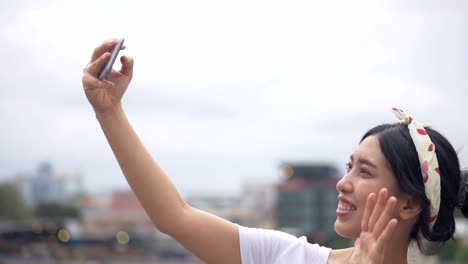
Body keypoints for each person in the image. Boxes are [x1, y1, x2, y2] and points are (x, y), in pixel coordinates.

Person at [81, 39, 468, 264]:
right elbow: (174, 216)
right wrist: (109, 111)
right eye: (349, 167)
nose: (342, 183)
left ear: (409, 205)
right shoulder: (286, 255)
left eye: (365, 172)